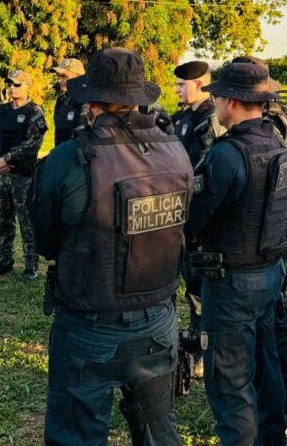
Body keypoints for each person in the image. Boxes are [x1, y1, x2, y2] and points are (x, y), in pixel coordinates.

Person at [31, 48, 193, 446]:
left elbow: (46, 240)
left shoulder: (70, 158)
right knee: (159, 430)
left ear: (93, 101)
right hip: (159, 319)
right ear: (138, 97)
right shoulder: (177, 149)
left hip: (91, 325)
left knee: (76, 434)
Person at [186, 58, 287, 446]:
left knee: (230, 383)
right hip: (270, 275)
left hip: (232, 281)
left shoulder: (227, 154)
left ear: (230, 102)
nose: (215, 104)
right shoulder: (278, 144)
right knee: (266, 370)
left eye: (217, 97)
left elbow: (194, 218)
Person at [171, 60, 225, 381]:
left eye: (182, 85)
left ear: (201, 84)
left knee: (199, 285)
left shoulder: (210, 118)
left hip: (199, 211)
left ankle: (205, 350)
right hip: (180, 211)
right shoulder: (182, 117)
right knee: (187, 278)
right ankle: (194, 339)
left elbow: (195, 165)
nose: (177, 89)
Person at [0, 70, 47, 281]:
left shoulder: (35, 111)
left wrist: (7, 159)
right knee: (4, 217)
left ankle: (31, 264)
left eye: (17, 84)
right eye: (10, 83)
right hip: (2, 174)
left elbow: (33, 144)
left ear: (28, 86)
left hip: (22, 175)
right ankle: (4, 259)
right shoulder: (0, 112)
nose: (12, 87)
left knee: (26, 220)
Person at [51, 58, 85, 146]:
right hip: (61, 154)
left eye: (64, 76)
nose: (59, 80)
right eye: (59, 76)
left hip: (80, 157)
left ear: (78, 76)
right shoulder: (60, 100)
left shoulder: (88, 100)